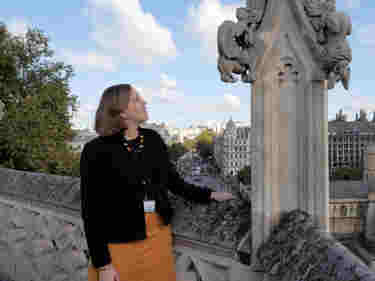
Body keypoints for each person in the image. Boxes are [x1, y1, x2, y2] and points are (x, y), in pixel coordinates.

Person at [80, 84, 235, 281]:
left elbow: (173, 181)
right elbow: (91, 211)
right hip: (118, 246)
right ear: (121, 111)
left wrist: (208, 194)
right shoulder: (95, 150)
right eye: (136, 99)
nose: (144, 102)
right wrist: (103, 265)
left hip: (157, 240)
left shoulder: (152, 139)